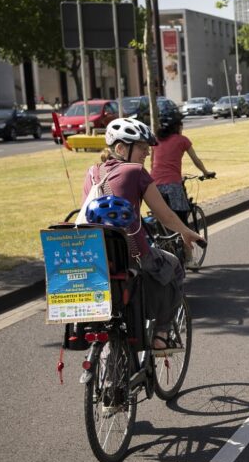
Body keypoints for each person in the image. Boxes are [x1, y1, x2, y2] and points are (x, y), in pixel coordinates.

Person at [84, 118, 203, 344]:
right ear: (120, 148)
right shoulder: (136, 172)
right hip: (133, 254)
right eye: (141, 147)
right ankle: (161, 334)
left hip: (97, 257)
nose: (147, 153)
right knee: (174, 267)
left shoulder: (92, 172)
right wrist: (186, 232)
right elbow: (164, 214)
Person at [151, 117, 212, 225]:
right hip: (172, 184)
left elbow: (153, 163)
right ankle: (186, 240)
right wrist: (205, 172)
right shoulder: (182, 140)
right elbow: (196, 160)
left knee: (160, 215)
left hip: (154, 184)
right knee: (182, 219)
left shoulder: (156, 140)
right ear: (177, 127)